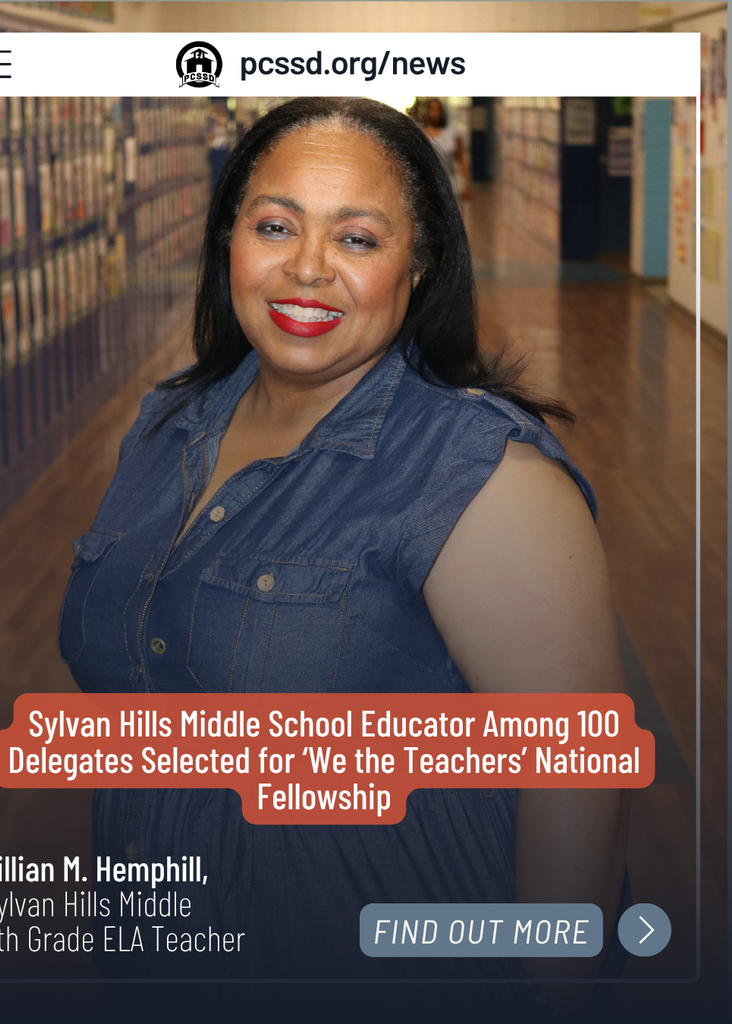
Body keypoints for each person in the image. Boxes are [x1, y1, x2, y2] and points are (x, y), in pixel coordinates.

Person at [58, 97, 628, 1016]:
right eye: (275, 225)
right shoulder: (166, 424)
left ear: (420, 263)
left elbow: (579, 788)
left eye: (357, 238)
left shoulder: (484, 479)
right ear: (228, 240)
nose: (308, 268)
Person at [422, 96, 470, 200]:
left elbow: (461, 158)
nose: (435, 113)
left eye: (438, 109)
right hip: (429, 187)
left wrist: (465, 184)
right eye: (432, 109)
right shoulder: (422, 134)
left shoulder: (452, 132)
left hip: (451, 185)